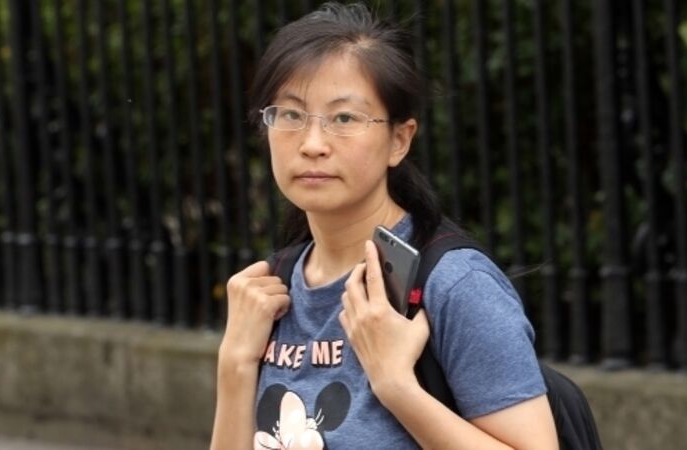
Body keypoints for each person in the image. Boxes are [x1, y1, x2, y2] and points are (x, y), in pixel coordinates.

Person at [210, 3, 558, 449]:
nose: (312, 144)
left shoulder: (454, 285)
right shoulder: (270, 290)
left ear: (399, 140)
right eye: (291, 115)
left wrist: (397, 386)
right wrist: (235, 363)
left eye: (344, 118)